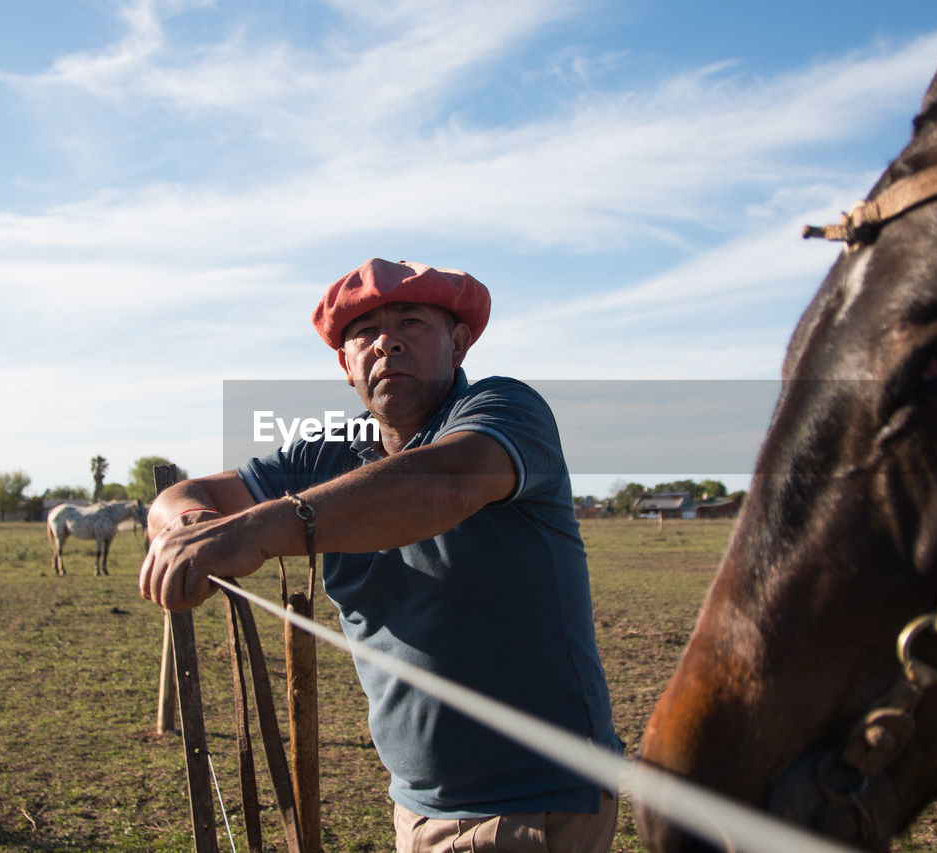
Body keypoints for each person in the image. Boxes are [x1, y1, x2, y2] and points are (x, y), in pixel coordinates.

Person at [140, 258, 622, 852]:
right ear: (346, 366)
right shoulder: (330, 454)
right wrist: (194, 526)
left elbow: (443, 483)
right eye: (363, 333)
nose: (387, 341)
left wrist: (257, 531)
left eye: (413, 323)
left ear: (460, 343)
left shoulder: (506, 411)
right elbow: (181, 497)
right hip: (418, 803)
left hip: (526, 807)